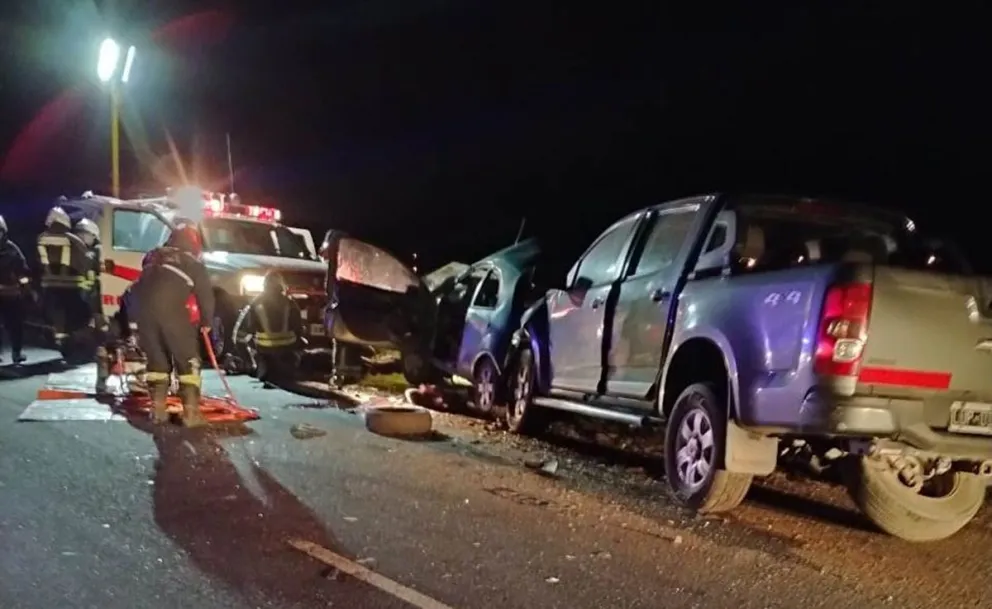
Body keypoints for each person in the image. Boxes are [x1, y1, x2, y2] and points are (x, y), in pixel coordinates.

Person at [130, 223, 214, 426]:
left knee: (157, 362)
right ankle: (191, 415)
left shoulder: (152, 256)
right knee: (187, 362)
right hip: (173, 314)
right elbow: (206, 295)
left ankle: (158, 412)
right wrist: (206, 322)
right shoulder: (193, 264)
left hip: (142, 314)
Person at [231, 270, 304, 384]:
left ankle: (262, 369)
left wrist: (249, 362)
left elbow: (239, 336)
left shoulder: (255, 304)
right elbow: (299, 330)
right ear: (281, 285)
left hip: (265, 354)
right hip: (287, 354)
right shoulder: (290, 303)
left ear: (264, 284)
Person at [36, 206, 92, 348]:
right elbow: (85, 260)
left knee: (55, 311)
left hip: (49, 284)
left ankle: (58, 335)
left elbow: (37, 260)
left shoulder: (41, 238)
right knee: (74, 312)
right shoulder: (74, 240)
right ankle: (71, 339)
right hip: (72, 284)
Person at [0, 215, 31, 364]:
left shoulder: (12, 249)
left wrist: (23, 284)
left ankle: (16, 353)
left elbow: (23, 269)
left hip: (11, 293)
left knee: (15, 324)